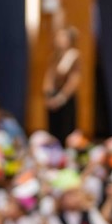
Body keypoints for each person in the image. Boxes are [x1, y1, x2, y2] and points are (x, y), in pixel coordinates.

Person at [43, 11, 81, 143]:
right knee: (53, 131)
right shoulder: (55, 56)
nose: (59, 39)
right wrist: (48, 94)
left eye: (63, 36)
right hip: (53, 96)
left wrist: (60, 99)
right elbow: (49, 77)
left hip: (65, 99)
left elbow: (74, 80)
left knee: (66, 131)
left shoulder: (73, 56)